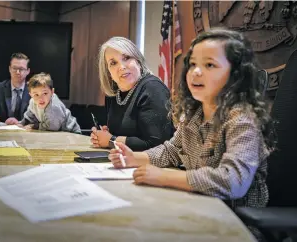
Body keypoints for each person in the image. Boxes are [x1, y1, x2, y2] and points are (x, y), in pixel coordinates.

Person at [109, 28, 276, 214]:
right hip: (197, 204)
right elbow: (172, 150)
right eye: (193, 63)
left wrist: (164, 177)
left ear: (235, 75)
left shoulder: (243, 119)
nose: (196, 71)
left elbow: (233, 181)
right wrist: (135, 158)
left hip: (236, 219)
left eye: (210, 65)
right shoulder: (194, 114)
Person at [90, 37, 175, 151]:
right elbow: (122, 133)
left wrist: (111, 141)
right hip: (123, 161)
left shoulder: (153, 88)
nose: (122, 67)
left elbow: (157, 144)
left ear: (138, 61)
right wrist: (103, 135)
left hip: (153, 165)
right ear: (108, 72)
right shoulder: (113, 94)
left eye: (126, 58)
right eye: (113, 63)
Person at [0, 53, 31, 125]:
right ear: (9, 69)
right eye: (14, 68)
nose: (17, 72)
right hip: (1, 133)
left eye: (21, 69)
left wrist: (20, 123)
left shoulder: (34, 90)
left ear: (28, 71)